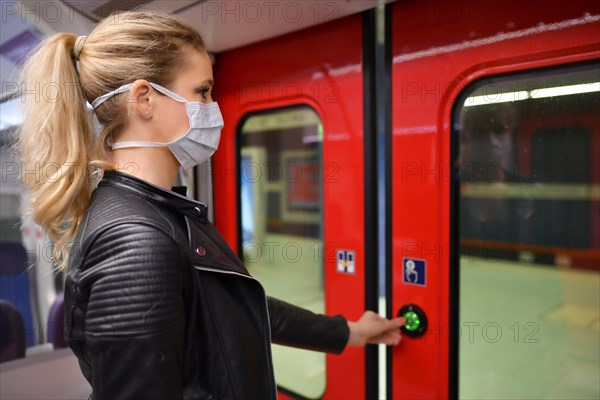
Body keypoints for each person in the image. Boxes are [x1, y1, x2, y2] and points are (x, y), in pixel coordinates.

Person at [18, 11, 404, 399]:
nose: (212, 107)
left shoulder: (161, 212)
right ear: (144, 99)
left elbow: (229, 309)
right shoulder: (136, 239)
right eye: (202, 91)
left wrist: (348, 332)